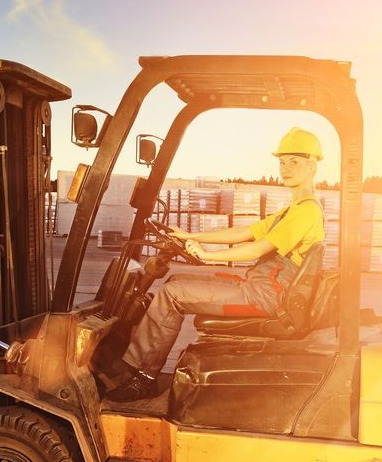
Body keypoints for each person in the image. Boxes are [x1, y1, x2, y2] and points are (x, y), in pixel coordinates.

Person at [107, 127, 326, 402]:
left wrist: (207, 255)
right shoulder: (291, 210)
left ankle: (143, 377)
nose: (286, 168)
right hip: (262, 286)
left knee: (172, 295)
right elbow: (243, 233)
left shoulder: (306, 211)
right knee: (175, 282)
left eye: (294, 161)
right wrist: (191, 236)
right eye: (282, 161)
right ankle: (139, 363)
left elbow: (259, 248)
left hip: (266, 295)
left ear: (312, 165)